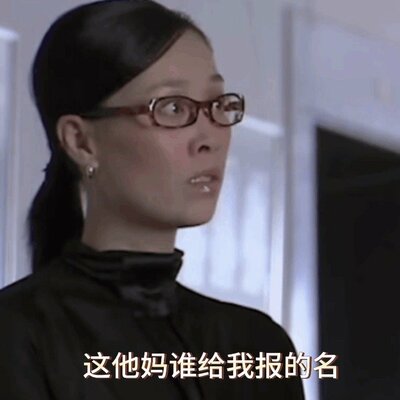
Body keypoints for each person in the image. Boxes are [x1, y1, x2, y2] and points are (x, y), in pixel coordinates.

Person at [0, 0, 305, 398]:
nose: (210, 138)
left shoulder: (256, 344)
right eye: (173, 108)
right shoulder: (18, 334)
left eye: (218, 105)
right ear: (81, 141)